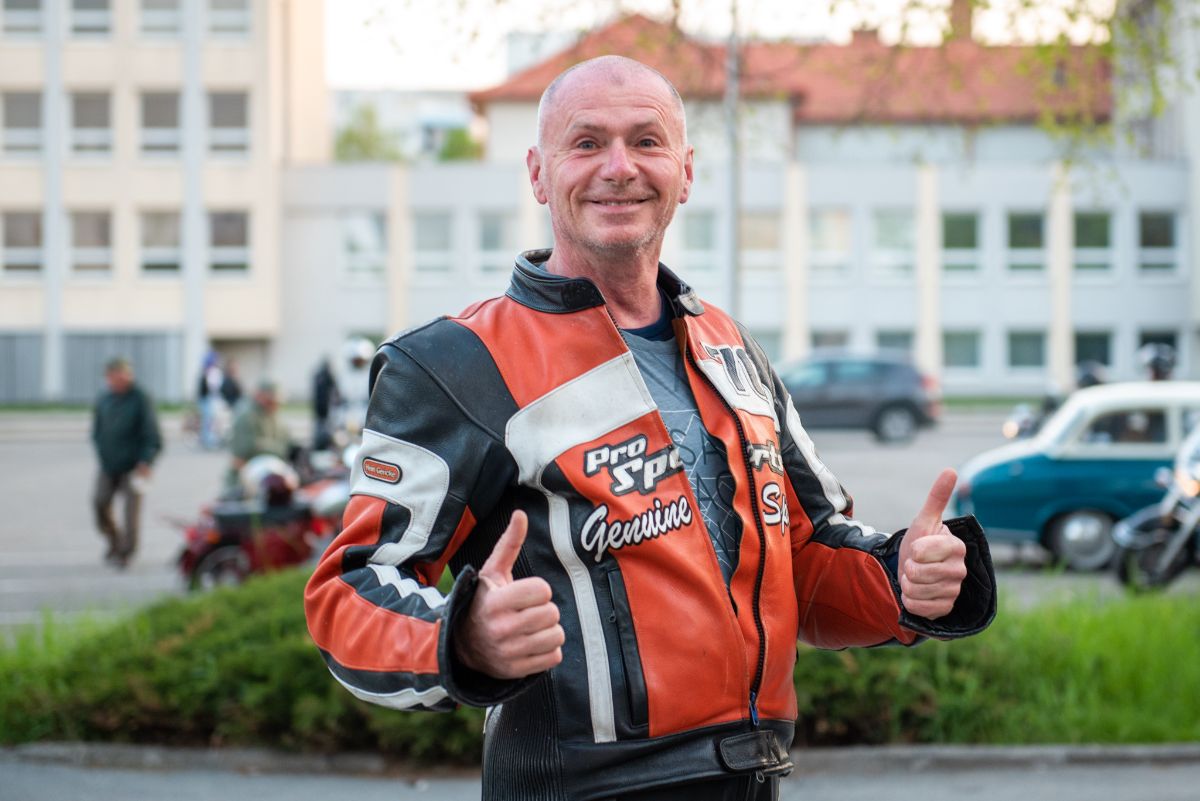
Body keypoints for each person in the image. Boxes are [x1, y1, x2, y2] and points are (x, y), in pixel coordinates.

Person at [304, 56, 996, 801]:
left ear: (684, 172)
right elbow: (348, 593)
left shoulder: (731, 347)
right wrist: (462, 639)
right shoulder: (455, 365)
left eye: (646, 141)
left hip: (751, 777)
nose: (619, 168)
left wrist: (903, 580)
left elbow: (803, 559)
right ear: (538, 174)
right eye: (586, 143)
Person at [91, 357, 162, 568]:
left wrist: (146, 460)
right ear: (109, 377)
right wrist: (102, 451)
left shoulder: (140, 398)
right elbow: (97, 430)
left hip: (134, 466)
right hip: (108, 465)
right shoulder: (104, 399)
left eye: (124, 374)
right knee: (100, 503)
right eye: (115, 375)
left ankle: (126, 552)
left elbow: (152, 433)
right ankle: (114, 540)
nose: (121, 378)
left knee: (131, 513)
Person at [225, 379, 292, 495]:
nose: (274, 405)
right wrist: (282, 449)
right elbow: (246, 448)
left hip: (273, 474)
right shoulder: (246, 417)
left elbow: (286, 440)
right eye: (270, 400)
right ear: (259, 396)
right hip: (244, 480)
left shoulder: (276, 419)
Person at [311, 357, 341, 451]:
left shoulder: (326, 377)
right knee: (321, 431)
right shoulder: (320, 377)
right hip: (320, 409)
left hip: (325, 409)